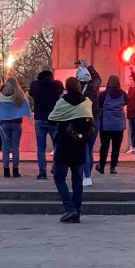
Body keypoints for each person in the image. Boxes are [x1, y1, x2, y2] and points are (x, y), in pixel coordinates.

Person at [48, 76, 93, 223]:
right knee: (77, 180)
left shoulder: (62, 102)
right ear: (79, 87)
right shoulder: (86, 102)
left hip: (64, 145)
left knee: (59, 178)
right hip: (79, 145)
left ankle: (69, 208)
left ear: (66, 87)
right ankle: (77, 211)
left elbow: (52, 118)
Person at [0, 75, 33, 178]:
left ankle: (6, 171)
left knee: (5, 148)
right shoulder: (20, 95)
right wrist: (28, 117)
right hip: (16, 124)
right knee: (15, 148)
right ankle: (16, 171)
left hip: (4, 124)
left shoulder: (1, 96)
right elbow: (26, 106)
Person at [29, 66, 64, 180]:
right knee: (57, 146)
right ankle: (56, 168)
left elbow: (31, 93)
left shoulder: (35, 85)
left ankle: (42, 172)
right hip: (54, 119)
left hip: (40, 119)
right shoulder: (57, 85)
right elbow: (61, 93)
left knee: (40, 147)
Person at [74, 58, 101, 187]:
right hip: (95, 120)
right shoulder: (93, 87)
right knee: (89, 149)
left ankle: (87, 176)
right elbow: (97, 77)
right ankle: (87, 174)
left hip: (82, 122)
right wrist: (89, 66)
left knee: (84, 149)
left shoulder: (76, 91)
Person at [96, 75, 127, 175]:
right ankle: (113, 167)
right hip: (118, 125)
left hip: (106, 123)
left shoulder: (103, 94)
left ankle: (101, 166)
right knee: (116, 147)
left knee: (104, 146)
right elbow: (126, 102)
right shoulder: (123, 94)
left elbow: (98, 104)